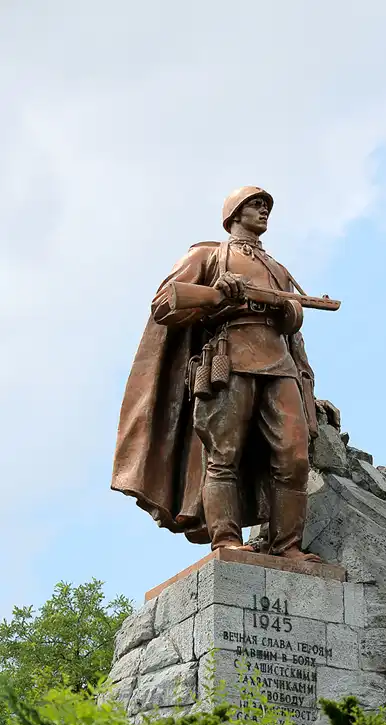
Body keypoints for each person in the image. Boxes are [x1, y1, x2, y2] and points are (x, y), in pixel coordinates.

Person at [112, 186, 327, 562]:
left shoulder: (278, 268)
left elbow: (294, 329)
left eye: (266, 207)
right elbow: (164, 304)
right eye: (256, 205)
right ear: (234, 213)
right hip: (229, 361)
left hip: (279, 365)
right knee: (222, 456)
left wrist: (288, 312)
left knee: (294, 458)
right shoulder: (209, 255)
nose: (264, 212)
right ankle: (226, 540)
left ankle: (287, 546)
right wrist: (218, 293)